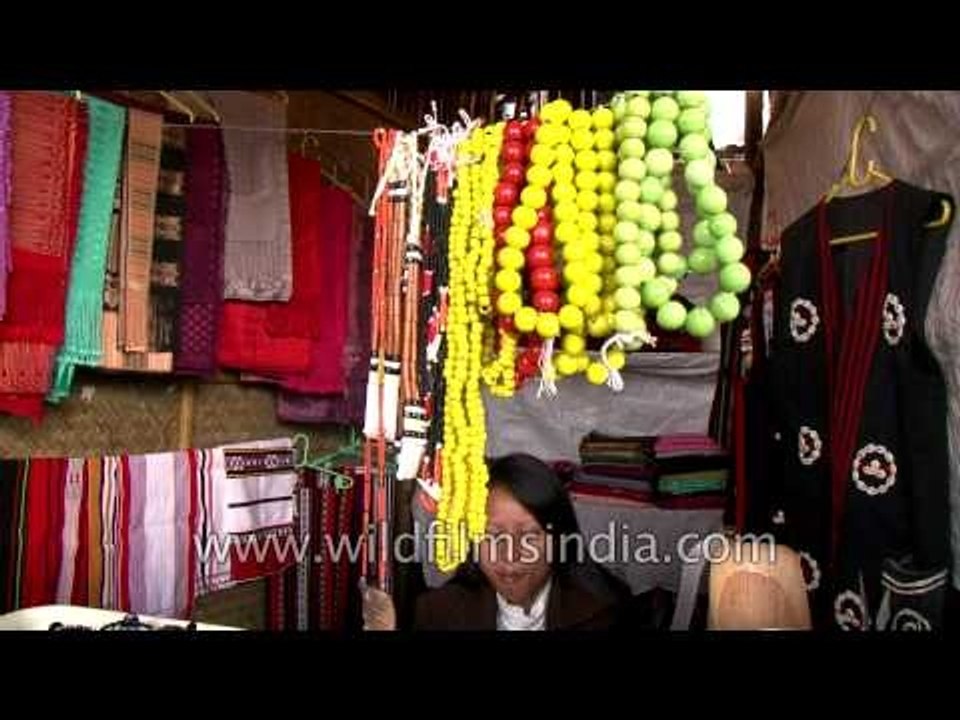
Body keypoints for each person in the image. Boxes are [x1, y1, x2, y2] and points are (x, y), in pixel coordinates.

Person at [363, 453, 633, 630]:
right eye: (493, 536)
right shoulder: (436, 614)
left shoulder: (604, 615)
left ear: (559, 539)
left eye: (529, 536)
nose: (511, 555)